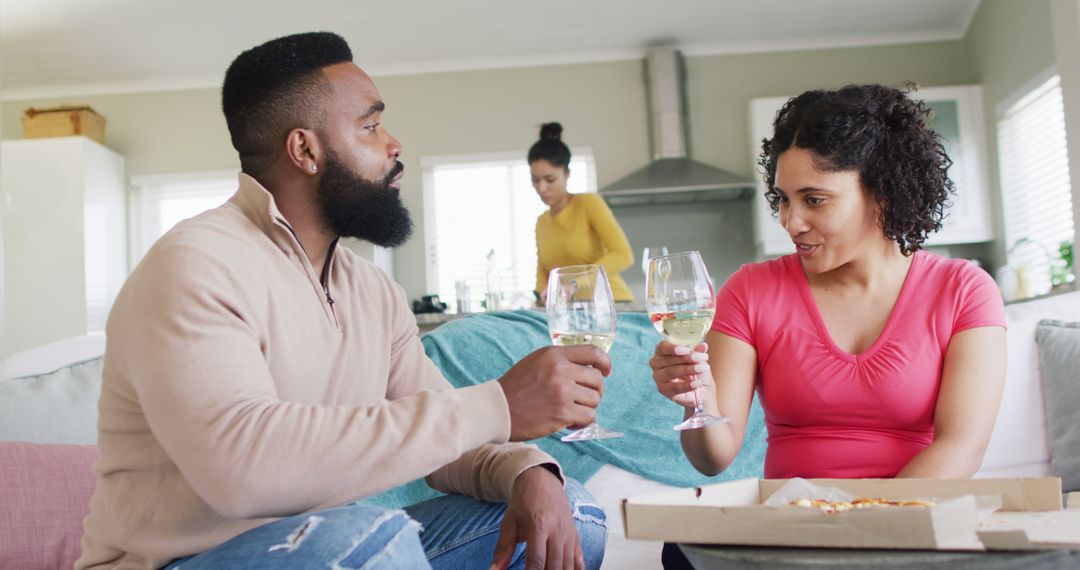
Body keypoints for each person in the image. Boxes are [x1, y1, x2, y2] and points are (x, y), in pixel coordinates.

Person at [77, 32, 609, 570]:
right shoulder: (194, 264)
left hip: (335, 548)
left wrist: (526, 469)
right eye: (372, 126)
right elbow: (243, 472)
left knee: (572, 516)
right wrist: (499, 404)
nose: (394, 144)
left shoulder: (372, 291)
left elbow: (448, 438)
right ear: (305, 150)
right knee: (368, 536)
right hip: (187, 562)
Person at [648, 84, 1007, 567]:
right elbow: (713, 458)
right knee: (680, 551)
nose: (791, 222)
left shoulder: (963, 289)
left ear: (882, 194)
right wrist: (696, 395)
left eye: (815, 200)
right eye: (783, 199)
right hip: (791, 529)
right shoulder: (750, 290)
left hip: (910, 526)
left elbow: (961, 447)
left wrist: (862, 531)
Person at [529, 123, 634, 304]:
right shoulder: (542, 222)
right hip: (569, 311)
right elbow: (543, 275)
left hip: (612, 305)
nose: (542, 188)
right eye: (535, 180)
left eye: (550, 179)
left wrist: (574, 283)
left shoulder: (588, 204)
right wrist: (539, 299)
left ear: (567, 174)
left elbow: (623, 255)